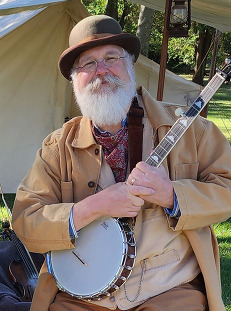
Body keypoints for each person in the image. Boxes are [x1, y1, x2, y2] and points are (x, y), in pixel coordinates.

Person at [12, 15, 230, 311]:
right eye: (88, 64)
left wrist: (172, 195)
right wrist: (92, 207)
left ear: (130, 66)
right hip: (80, 297)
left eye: (111, 58)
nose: (101, 71)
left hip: (168, 290)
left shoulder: (193, 131)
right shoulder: (56, 147)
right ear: (75, 79)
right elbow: (26, 220)